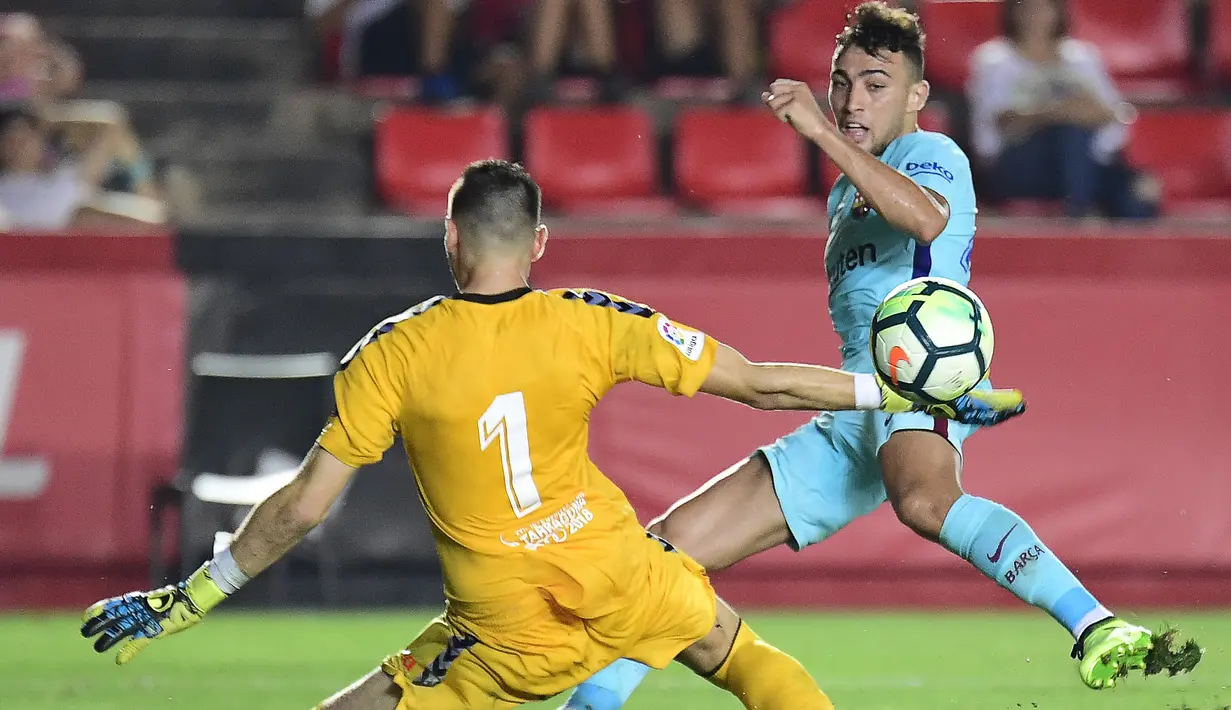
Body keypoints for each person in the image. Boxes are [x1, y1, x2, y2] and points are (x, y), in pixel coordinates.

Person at [80, 159, 1024, 710]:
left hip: (500, 633)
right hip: (624, 576)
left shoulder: (392, 354)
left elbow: (299, 511)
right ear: (537, 242)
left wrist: (193, 594)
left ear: (449, 237)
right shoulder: (590, 318)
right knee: (746, 661)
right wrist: (906, 395)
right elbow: (761, 384)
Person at [558, 4, 1165, 709]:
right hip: (857, 401)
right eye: (841, 81)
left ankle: (1094, 624)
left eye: (875, 84)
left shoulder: (929, 153)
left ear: (915, 98)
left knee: (924, 500)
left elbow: (926, 219)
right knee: (662, 555)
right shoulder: (846, 190)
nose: (851, 99)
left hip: (923, 378)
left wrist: (816, 130)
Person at [966, 0, 1155, 219]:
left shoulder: (1082, 58)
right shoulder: (994, 60)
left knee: (1136, 198)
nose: (1035, 15)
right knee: (1070, 132)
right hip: (1015, 165)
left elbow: (1109, 113)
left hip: (1082, 161)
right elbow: (1004, 121)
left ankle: (1090, 213)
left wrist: (1073, 113)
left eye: (1043, 7)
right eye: (1027, 7)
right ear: (1012, 12)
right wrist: (1059, 112)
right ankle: (1079, 214)